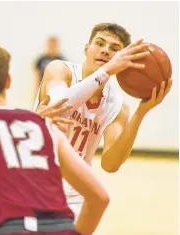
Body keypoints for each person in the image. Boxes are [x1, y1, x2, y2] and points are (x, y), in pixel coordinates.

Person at [0, 43, 110, 235]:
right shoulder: (44, 124)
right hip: (63, 229)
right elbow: (100, 197)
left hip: (12, 230)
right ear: (8, 81)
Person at [33, 23, 172, 219]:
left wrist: (141, 112)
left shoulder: (117, 106)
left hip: (75, 195)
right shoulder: (60, 70)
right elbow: (59, 104)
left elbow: (110, 164)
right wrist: (106, 71)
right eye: (100, 43)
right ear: (86, 49)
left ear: (124, 60)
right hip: (34, 182)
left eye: (115, 49)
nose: (106, 50)